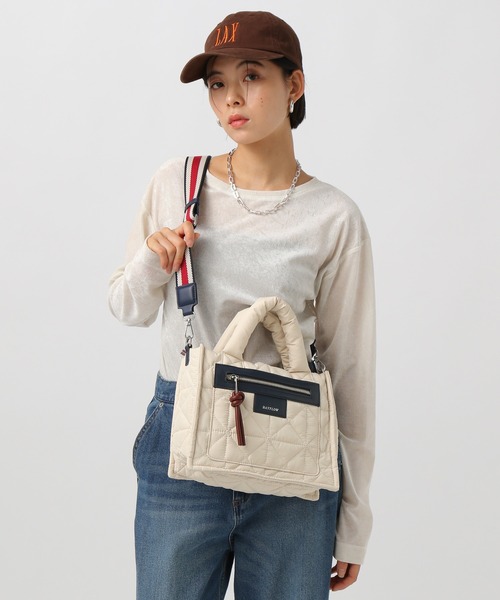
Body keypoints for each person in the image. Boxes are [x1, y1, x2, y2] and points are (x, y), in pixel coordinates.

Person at [108, 10, 376, 600]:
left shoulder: (335, 217)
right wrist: (154, 259)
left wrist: (354, 522)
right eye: (217, 83)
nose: (232, 97)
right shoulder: (178, 184)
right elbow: (127, 308)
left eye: (251, 76)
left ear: (294, 84)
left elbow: (351, 372)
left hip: (293, 456)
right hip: (181, 451)